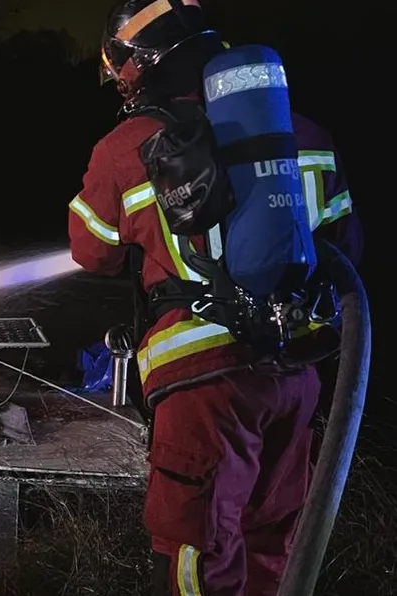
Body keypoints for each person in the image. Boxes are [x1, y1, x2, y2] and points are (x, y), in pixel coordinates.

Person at [67, 1, 364, 595]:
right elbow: (345, 249)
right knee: (273, 539)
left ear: (146, 59)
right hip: (294, 373)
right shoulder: (301, 135)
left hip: (202, 383)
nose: (121, 82)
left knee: (194, 548)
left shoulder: (128, 147)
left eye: (121, 66)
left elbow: (90, 249)